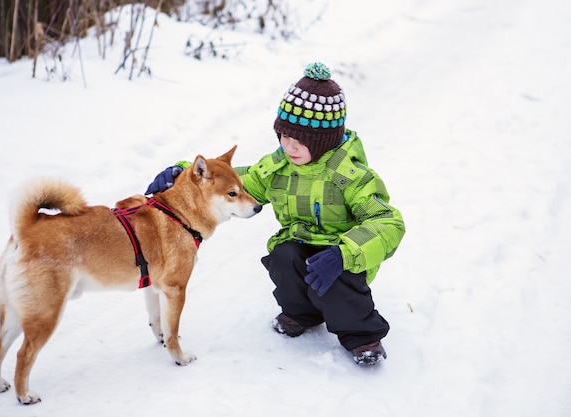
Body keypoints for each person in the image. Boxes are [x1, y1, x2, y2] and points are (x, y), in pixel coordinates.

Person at [145, 62, 405, 365]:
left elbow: (389, 222)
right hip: (300, 244)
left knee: (335, 282)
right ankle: (302, 313)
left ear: (323, 141)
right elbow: (235, 180)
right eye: (284, 137)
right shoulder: (279, 167)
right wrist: (184, 174)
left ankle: (362, 336)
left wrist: (345, 253)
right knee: (285, 256)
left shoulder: (350, 175)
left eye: (300, 142)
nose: (289, 147)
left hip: (340, 253)